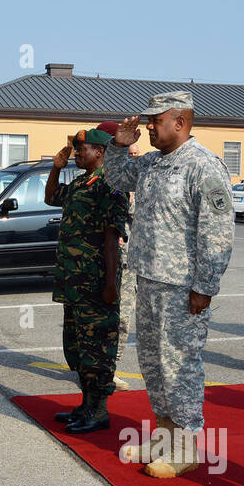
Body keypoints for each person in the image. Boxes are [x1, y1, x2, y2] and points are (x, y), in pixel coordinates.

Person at [104, 91, 234, 478]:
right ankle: (164, 437)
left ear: (179, 122)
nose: (148, 127)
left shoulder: (203, 166)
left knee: (180, 365)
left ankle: (186, 447)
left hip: (182, 287)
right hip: (148, 279)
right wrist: (117, 146)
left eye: (154, 121)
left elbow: (217, 233)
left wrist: (205, 286)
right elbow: (115, 176)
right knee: (154, 363)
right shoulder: (151, 164)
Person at [45, 128, 128, 433]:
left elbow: (111, 237)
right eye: (76, 150)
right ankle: (86, 405)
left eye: (82, 150)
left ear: (101, 152)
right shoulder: (82, 181)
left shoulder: (110, 184)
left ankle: (100, 411)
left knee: (98, 348)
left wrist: (110, 284)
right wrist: (56, 167)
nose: (77, 155)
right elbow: (52, 196)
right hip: (73, 281)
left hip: (95, 283)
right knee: (78, 346)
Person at [98, 120, 138, 392]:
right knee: (114, 317)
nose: (135, 152)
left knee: (122, 318)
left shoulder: (131, 178)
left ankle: (108, 368)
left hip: (129, 260)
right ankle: (101, 370)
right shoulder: (106, 180)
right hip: (111, 259)